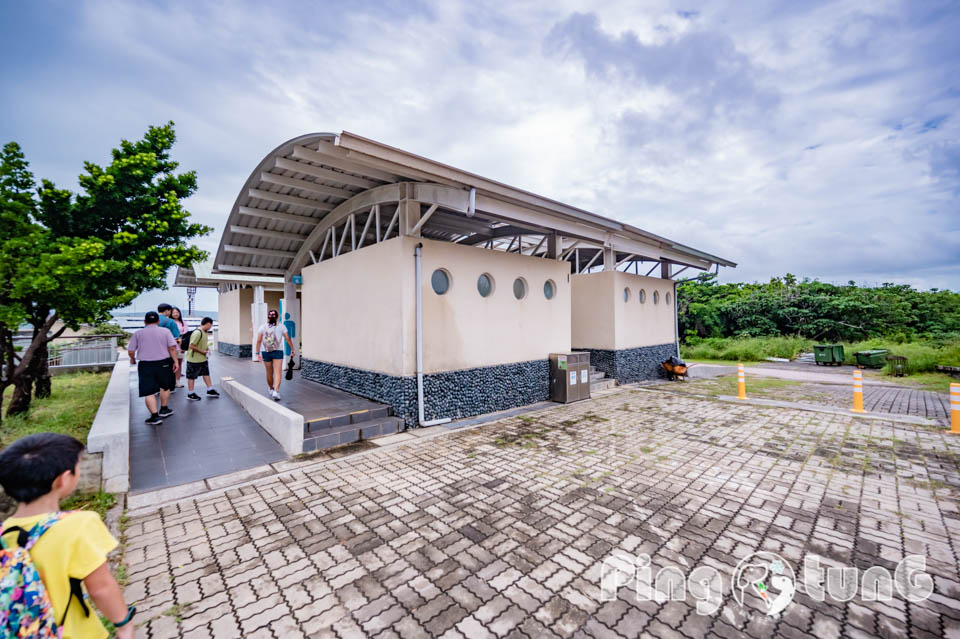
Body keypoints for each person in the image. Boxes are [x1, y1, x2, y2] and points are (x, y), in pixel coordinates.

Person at [0, 433, 136, 639]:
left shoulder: (5, 532)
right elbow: (100, 588)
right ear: (63, 479)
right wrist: (124, 625)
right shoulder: (78, 525)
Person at [128, 311, 178, 425]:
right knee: (165, 387)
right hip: (164, 363)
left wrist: (132, 359)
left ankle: (155, 416)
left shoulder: (138, 333)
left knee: (149, 391)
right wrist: (176, 362)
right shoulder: (166, 331)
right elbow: (172, 348)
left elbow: (131, 351)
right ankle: (164, 409)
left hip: (146, 364)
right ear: (158, 321)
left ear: (145, 322)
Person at [256, 309, 296, 401]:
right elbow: (287, 339)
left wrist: (257, 353)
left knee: (269, 372)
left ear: (268, 317)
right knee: (278, 372)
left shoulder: (262, 327)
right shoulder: (282, 326)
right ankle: (276, 391)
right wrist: (292, 349)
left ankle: (271, 388)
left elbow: (258, 341)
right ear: (277, 317)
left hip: (265, 351)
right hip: (278, 351)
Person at [185, 317, 220, 401]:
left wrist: (207, 349)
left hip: (203, 358)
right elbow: (191, 345)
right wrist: (202, 352)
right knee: (191, 376)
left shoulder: (205, 332)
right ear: (208, 324)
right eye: (211, 325)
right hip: (194, 359)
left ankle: (209, 389)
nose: (211, 327)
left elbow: (203, 342)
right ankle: (190, 393)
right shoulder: (197, 333)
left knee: (206, 373)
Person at [170, 306, 188, 388]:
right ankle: (171, 381)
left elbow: (186, 334)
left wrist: (184, 346)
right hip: (171, 345)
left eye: (177, 312)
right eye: (174, 312)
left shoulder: (183, 322)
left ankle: (177, 381)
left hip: (180, 345)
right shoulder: (169, 322)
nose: (176, 314)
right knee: (171, 363)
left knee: (179, 363)